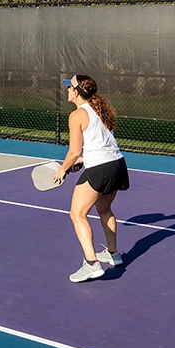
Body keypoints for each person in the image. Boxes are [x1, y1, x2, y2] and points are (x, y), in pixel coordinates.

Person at [54, 74, 130, 283]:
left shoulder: (77, 115)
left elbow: (74, 151)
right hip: (117, 165)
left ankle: (91, 264)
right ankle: (113, 254)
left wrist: (63, 169)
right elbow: (100, 144)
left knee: (77, 214)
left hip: (101, 168)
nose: (67, 90)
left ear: (77, 91)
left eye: (70, 87)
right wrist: (82, 161)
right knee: (104, 209)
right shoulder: (99, 110)